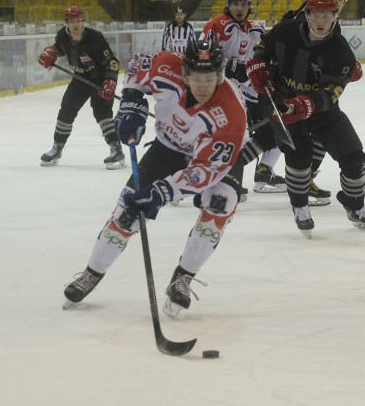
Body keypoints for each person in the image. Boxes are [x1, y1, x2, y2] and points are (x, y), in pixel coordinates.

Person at [62, 39, 248, 318]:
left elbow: (206, 171)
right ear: (185, 72)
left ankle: (182, 278)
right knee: (128, 211)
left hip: (218, 159)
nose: (202, 86)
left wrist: (163, 191)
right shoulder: (167, 67)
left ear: (220, 75)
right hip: (169, 145)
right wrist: (132, 99)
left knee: (220, 205)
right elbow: (137, 65)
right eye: (196, 78)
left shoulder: (231, 114)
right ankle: (91, 273)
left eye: (210, 79)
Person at [245, 0, 365, 238]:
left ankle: (355, 207)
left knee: (355, 160)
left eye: (327, 16)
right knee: (299, 160)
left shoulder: (340, 50)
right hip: (284, 106)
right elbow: (263, 46)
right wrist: (257, 65)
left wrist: (306, 105)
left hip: (321, 111)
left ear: (335, 16)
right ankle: (300, 208)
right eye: (316, 15)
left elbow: (331, 92)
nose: (321, 22)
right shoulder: (286, 30)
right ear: (307, 14)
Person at [201, 0, 287, 197]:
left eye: (243, 4)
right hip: (225, 91)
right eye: (234, 4)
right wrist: (230, 68)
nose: (239, 8)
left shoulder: (257, 28)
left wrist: (286, 25)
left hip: (254, 90)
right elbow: (202, 55)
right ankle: (215, 178)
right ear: (228, 6)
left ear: (249, 6)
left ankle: (264, 170)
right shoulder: (216, 25)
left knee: (279, 127)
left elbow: (267, 54)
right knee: (234, 137)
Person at [38, 5, 124, 169]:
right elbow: (59, 48)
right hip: (80, 78)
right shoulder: (63, 35)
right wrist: (51, 53)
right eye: (71, 21)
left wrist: (110, 81)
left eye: (78, 20)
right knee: (67, 109)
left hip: (99, 79)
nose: (75, 24)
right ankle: (57, 148)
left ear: (83, 22)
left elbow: (112, 62)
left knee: (102, 112)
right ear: (66, 23)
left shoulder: (95, 38)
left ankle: (116, 148)